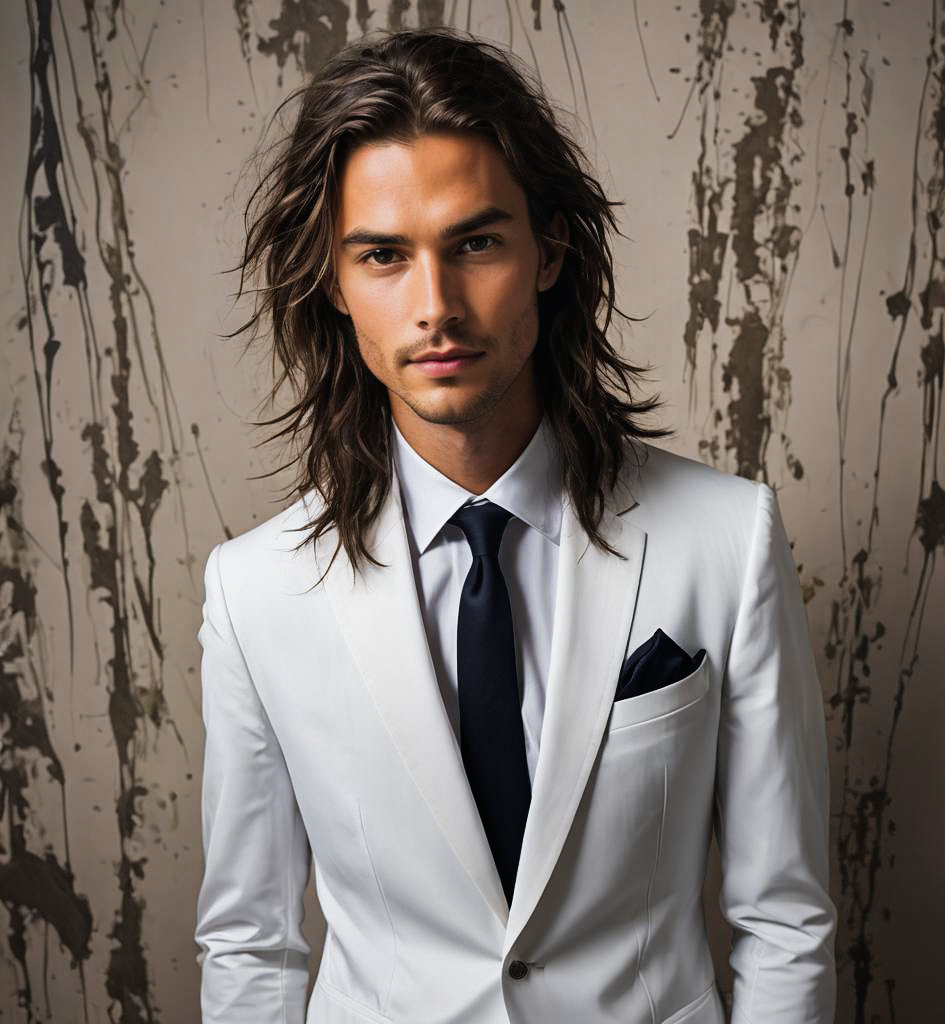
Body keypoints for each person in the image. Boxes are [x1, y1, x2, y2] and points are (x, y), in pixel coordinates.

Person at [194, 26, 836, 1024]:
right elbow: (249, 940)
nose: (435, 306)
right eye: (382, 256)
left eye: (475, 242)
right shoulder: (254, 591)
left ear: (549, 252)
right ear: (334, 281)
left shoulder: (726, 539)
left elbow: (785, 916)